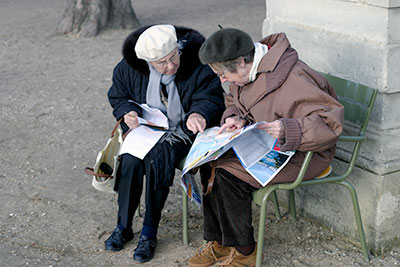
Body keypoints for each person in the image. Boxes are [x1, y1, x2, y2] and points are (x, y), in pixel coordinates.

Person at [188, 28, 344, 266]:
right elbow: (234, 102)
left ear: (241, 61)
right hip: (264, 142)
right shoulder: (248, 70)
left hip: (303, 151)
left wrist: (289, 129)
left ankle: (245, 251)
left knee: (227, 175)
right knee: (209, 164)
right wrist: (235, 117)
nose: (222, 80)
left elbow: (330, 123)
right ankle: (219, 242)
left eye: (223, 73)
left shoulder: (294, 77)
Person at [106, 24, 225, 263]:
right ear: (147, 61)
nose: (171, 66)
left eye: (173, 58)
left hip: (183, 130)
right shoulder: (129, 68)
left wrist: (198, 113)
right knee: (130, 160)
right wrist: (127, 112)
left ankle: (149, 232)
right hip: (147, 127)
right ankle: (124, 226)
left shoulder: (197, 65)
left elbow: (211, 97)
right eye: (162, 63)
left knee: (158, 158)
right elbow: (118, 96)